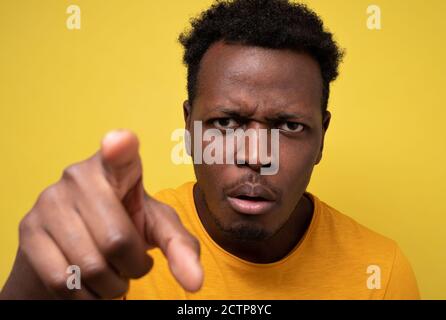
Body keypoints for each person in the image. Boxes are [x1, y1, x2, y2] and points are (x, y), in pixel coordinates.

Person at [0, 0, 420, 299]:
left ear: (322, 137)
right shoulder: (120, 249)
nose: (257, 155)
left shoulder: (379, 272)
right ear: (188, 126)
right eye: (226, 123)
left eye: (290, 126)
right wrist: (28, 289)